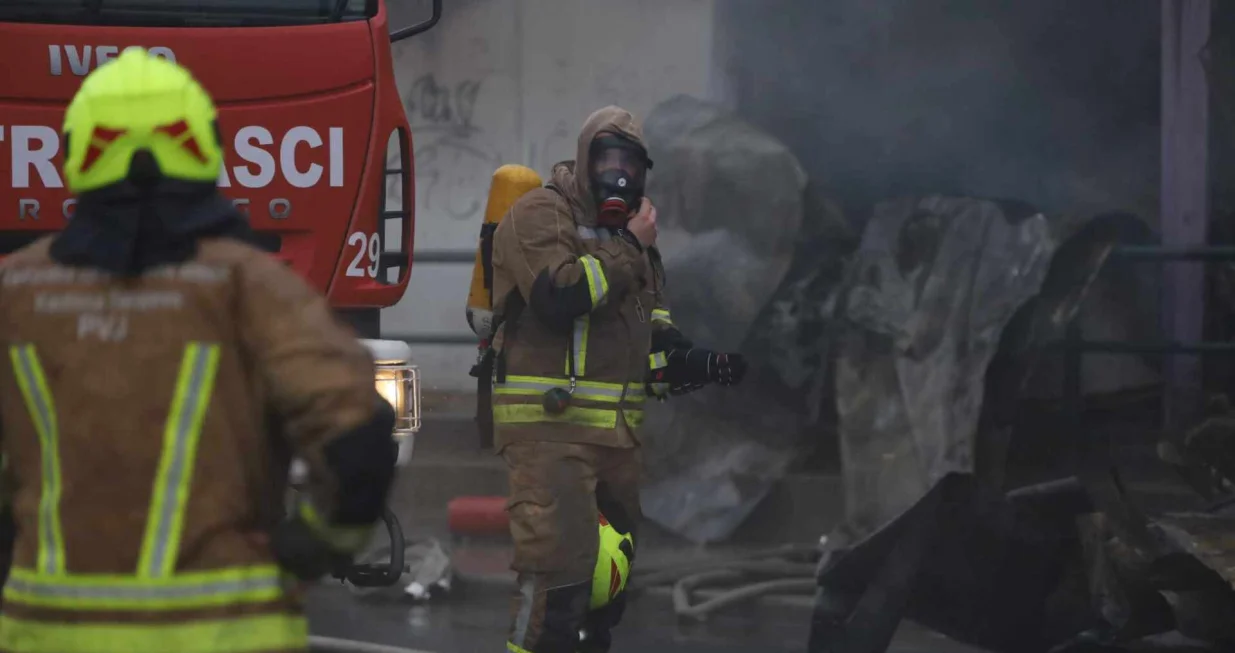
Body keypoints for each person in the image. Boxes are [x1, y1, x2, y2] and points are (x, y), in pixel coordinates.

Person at [0, 48, 398, 652]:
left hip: (50, 634)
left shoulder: (17, 289)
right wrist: (314, 547)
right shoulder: (251, 285)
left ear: (76, 152)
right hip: (227, 634)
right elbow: (358, 432)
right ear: (204, 147)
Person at [489, 105, 748, 653]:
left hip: (617, 446)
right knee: (554, 587)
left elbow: (653, 344)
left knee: (605, 594)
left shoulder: (639, 248)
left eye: (631, 164)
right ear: (585, 160)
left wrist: (699, 365)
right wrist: (630, 245)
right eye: (607, 160)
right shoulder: (540, 215)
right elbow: (560, 298)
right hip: (550, 438)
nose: (620, 176)